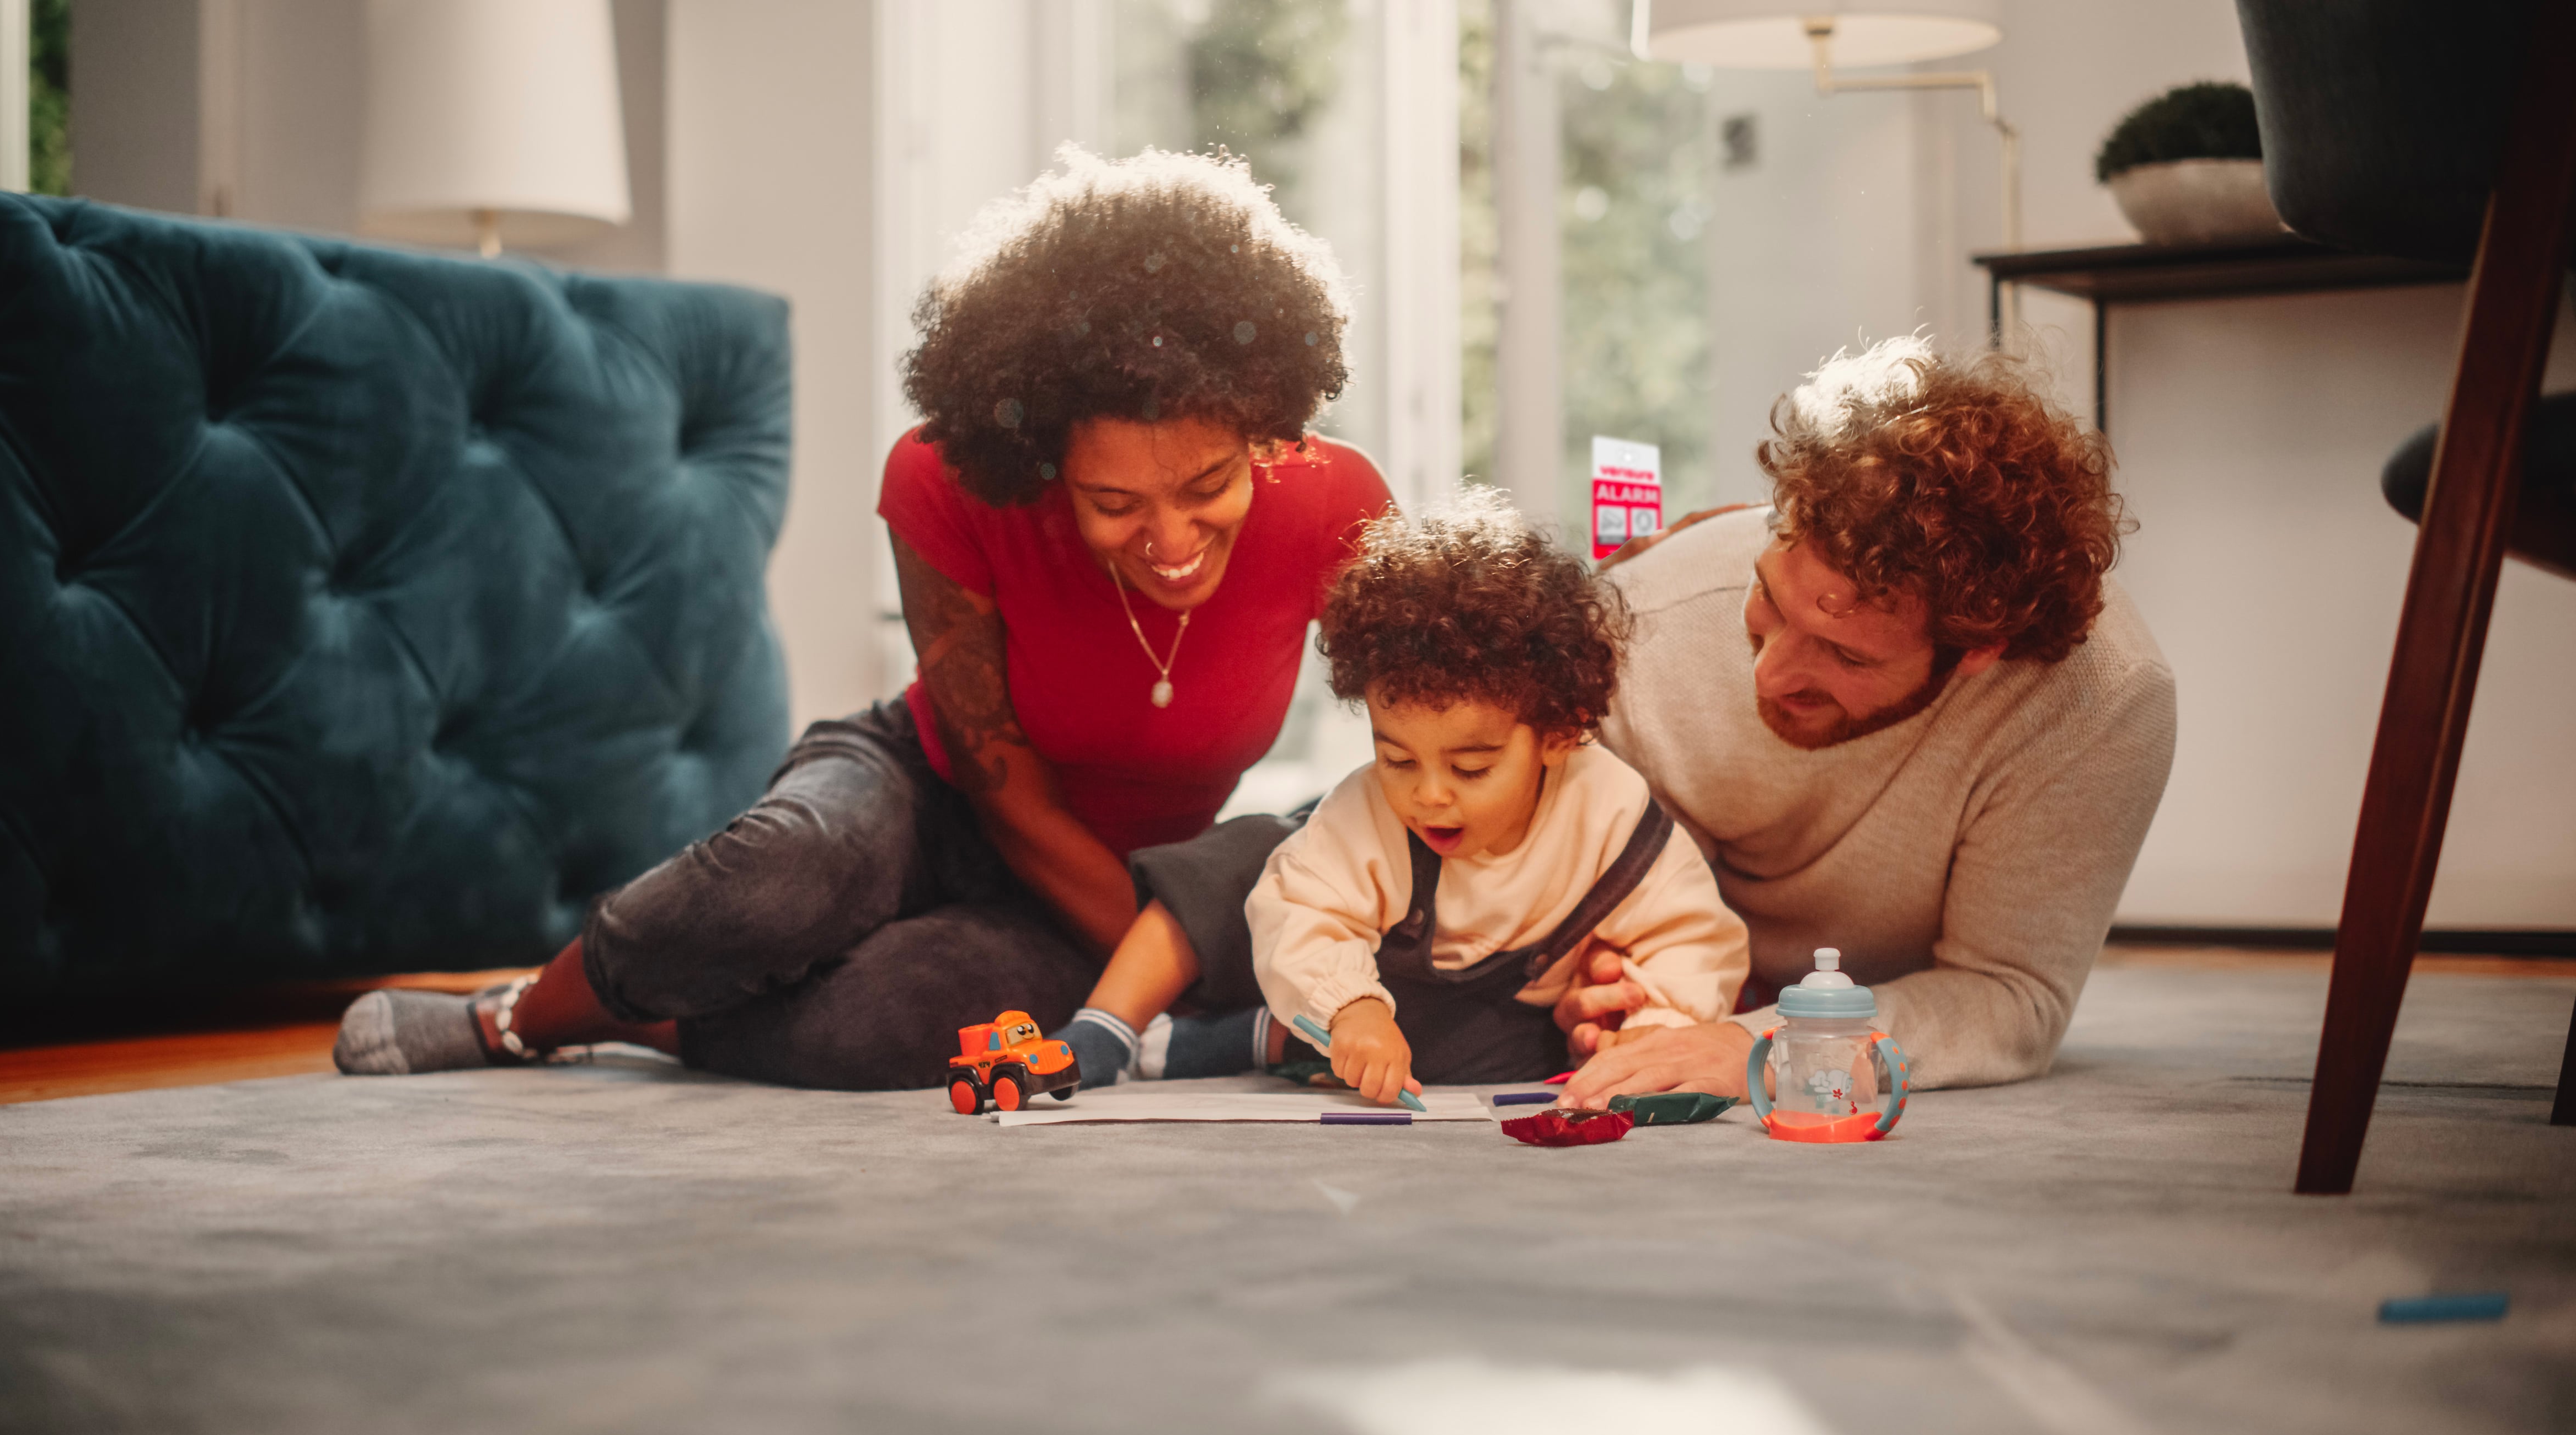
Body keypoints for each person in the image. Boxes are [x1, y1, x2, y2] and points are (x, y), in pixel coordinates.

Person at [330, 148, 1392, 1087]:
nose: (1168, 537)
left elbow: (1433, 722)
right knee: (774, 887)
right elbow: (999, 783)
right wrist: (1186, 973)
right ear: (1047, 461)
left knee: (869, 1030)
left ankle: (657, 1024)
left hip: (1108, 882)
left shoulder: (1335, 502)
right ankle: (514, 1019)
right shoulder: (948, 478)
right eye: (1113, 503)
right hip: (924, 778)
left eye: (1206, 484)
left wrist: (1182, 942)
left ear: (1264, 422)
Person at [1549, 335, 2175, 1109]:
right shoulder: (1645, 623)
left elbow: (2010, 997)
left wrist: (1771, 1047)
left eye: (1845, 656)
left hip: (1868, 985)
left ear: (1979, 651)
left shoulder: (2101, 702)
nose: (1769, 674)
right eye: (1770, 602)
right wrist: (1602, 969)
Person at [1051, 493, 1749, 1105]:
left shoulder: (1612, 817)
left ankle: (1262, 1041)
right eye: (1396, 758)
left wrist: (1652, 1030)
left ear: (1559, 734)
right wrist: (1349, 1009)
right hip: (1335, 974)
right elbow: (1302, 913)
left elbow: (1690, 938)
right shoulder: (1370, 813)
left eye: (1472, 768)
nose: (1428, 795)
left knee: (1504, 1057)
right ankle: (1109, 1029)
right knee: (1244, 861)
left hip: (1465, 1011)